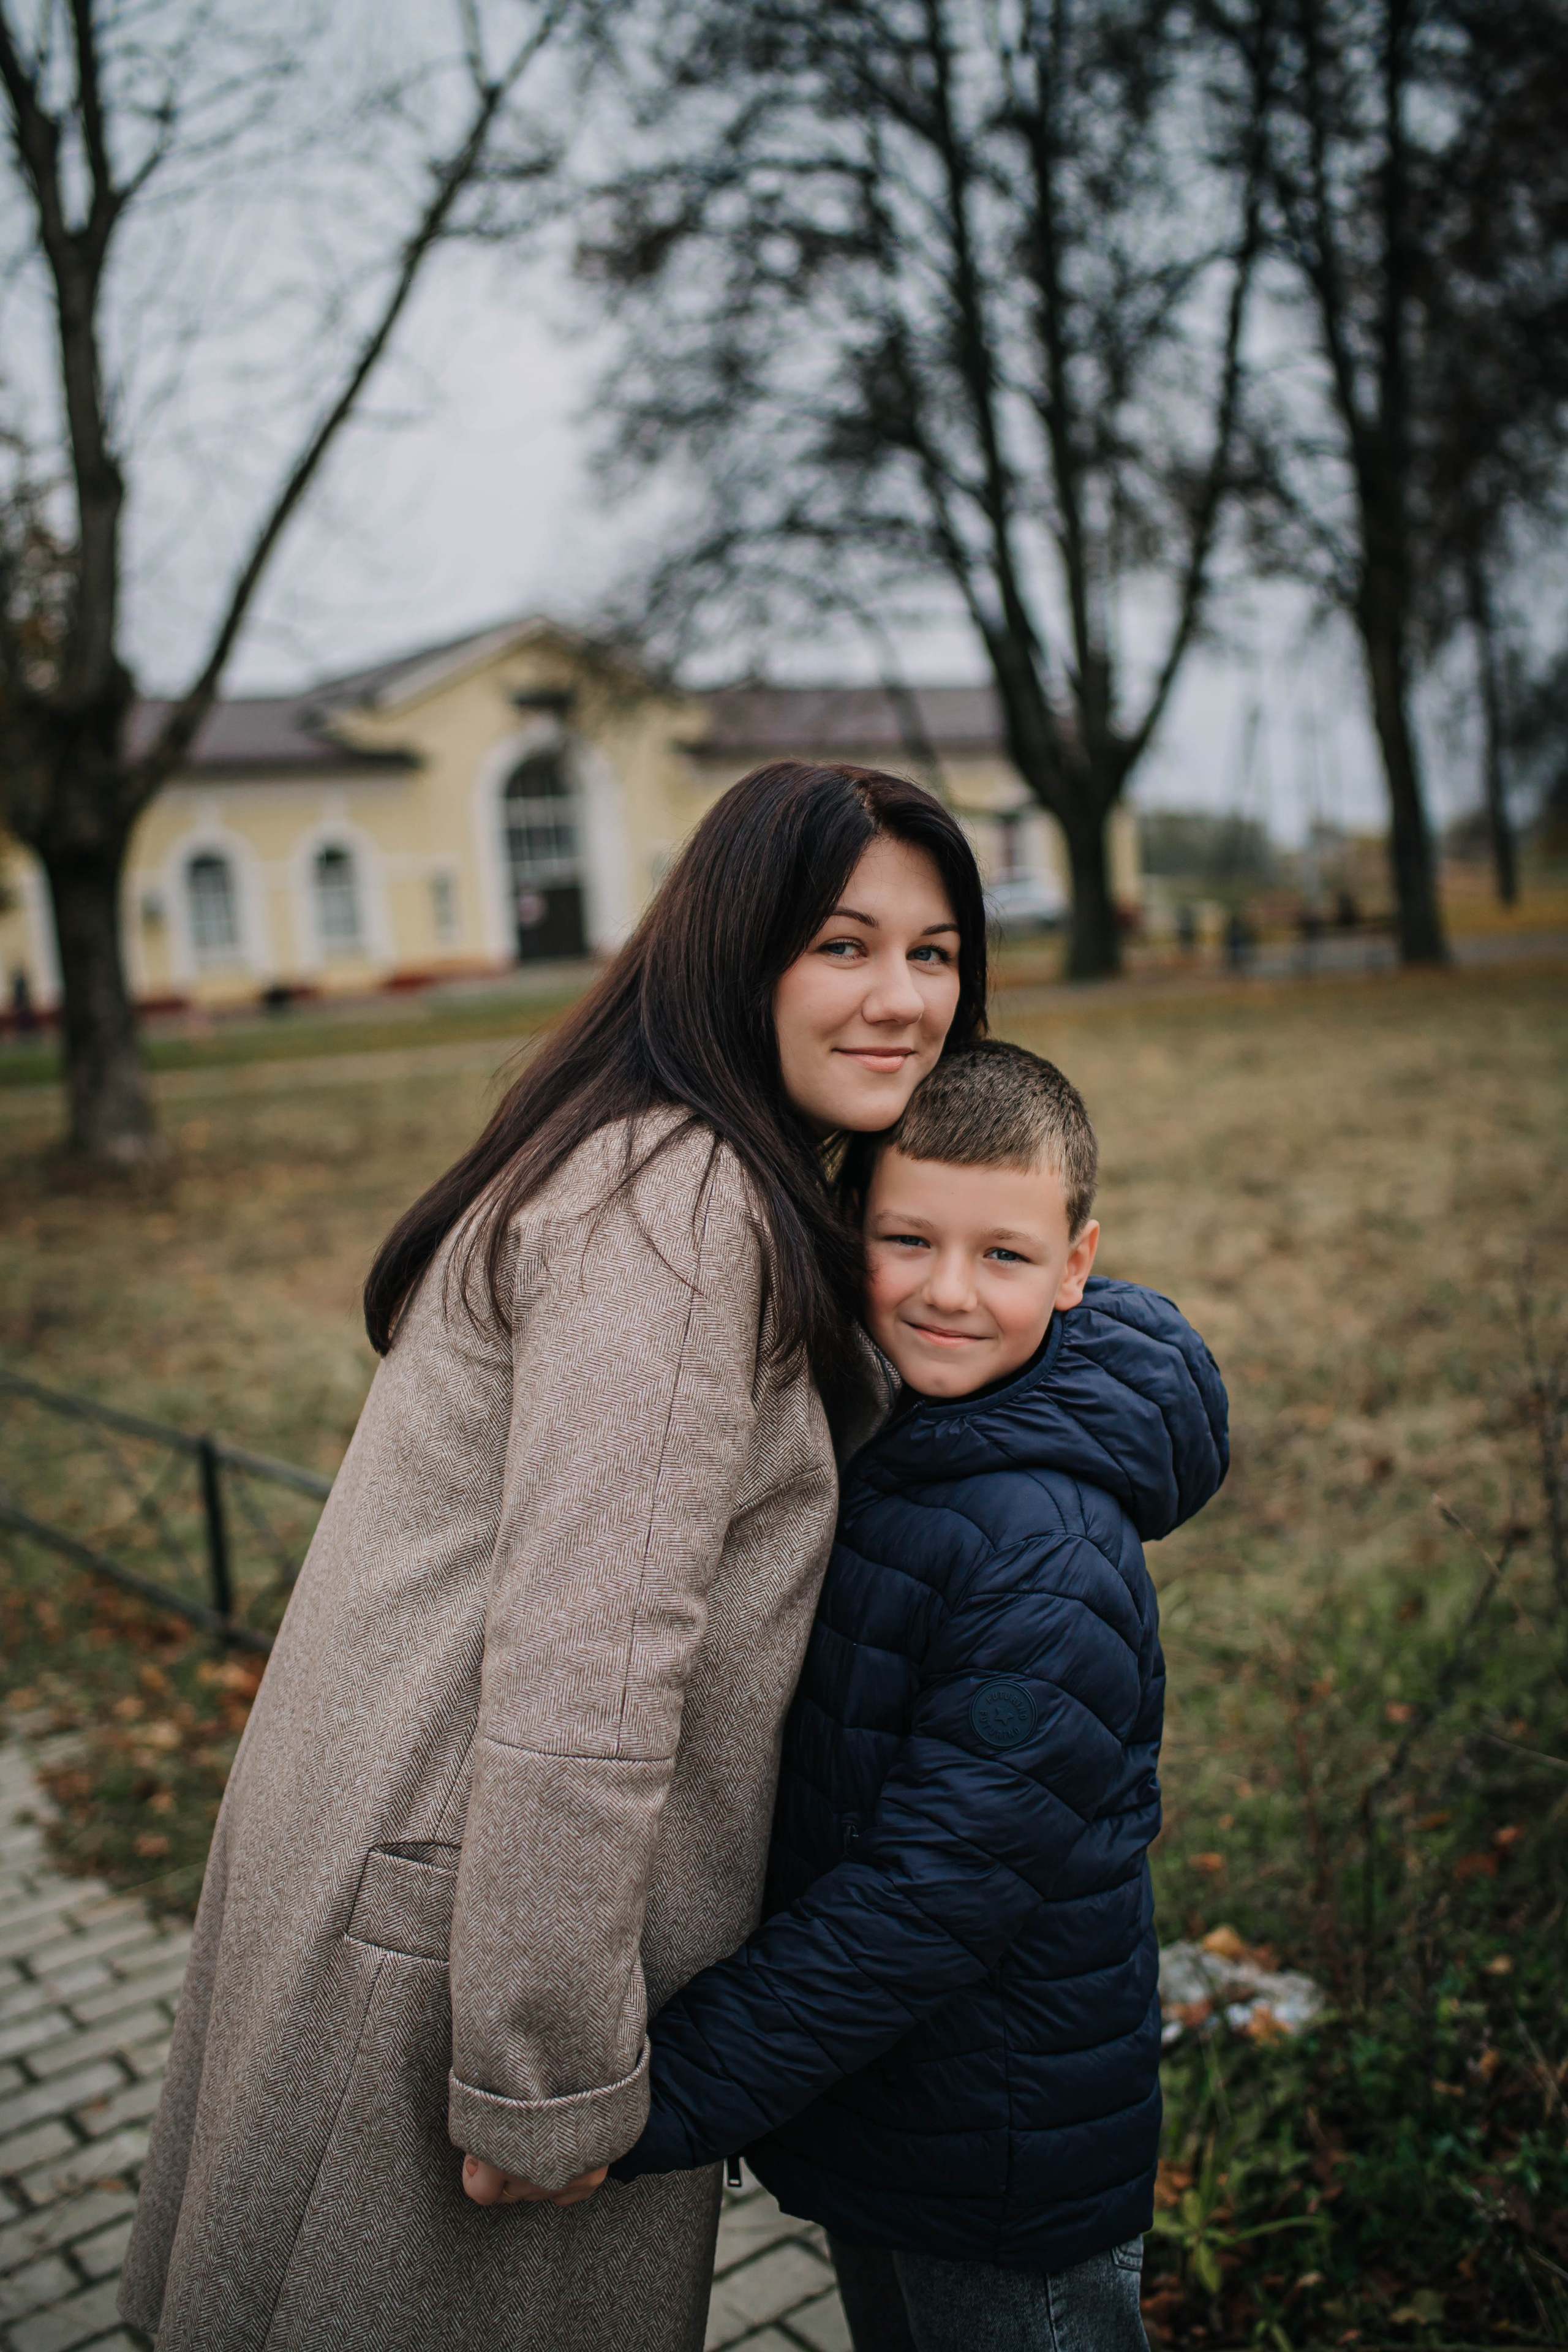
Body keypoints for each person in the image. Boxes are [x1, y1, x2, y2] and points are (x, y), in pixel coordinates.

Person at [118, 761, 989, 2352]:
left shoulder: (643, 1155)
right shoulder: (680, 1201)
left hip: (409, 1885)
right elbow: (590, 1660)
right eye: (843, 944)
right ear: (738, 950)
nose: (902, 998)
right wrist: (545, 2077)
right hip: (469, 1961)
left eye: (932, 953)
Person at [611, 1041, 1230, 2352]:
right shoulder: (902, 1434)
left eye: (1003, 1255)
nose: (948, 1292)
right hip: (890, 2111)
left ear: (1075, 1264)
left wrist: (660, 2097)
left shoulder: (1046, 1556)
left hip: (997, 2156)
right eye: (908, 1241)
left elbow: (931, 1894)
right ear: (854, 1235)